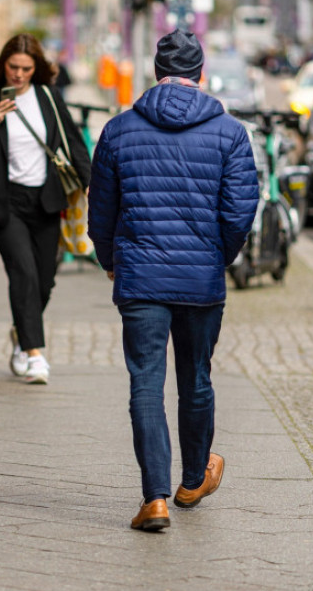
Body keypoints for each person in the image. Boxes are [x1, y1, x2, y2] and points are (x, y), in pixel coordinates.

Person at [87, 29, 259, 532]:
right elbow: (239, 211)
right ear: (200, 74)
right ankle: (190, 481)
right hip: (200, 277)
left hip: (139, 276)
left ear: (156, 73)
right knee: (196, 379)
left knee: (145, 383)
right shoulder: (229, 133)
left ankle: (155, 499)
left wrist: (109, 258)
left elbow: (101, 209)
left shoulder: (119, 130)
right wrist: (218, 256)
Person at [0, 33, 91, 384]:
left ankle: (21, 336)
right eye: (13, 67)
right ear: (4, 65)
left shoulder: (48, 97)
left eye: (26, 69)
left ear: (37, 69)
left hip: (46, 201)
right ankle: (34, 355)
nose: (18, 74)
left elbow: (74, 143)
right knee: (24, 273)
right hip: (5, 205)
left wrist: (92, 183)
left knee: (45, 280)